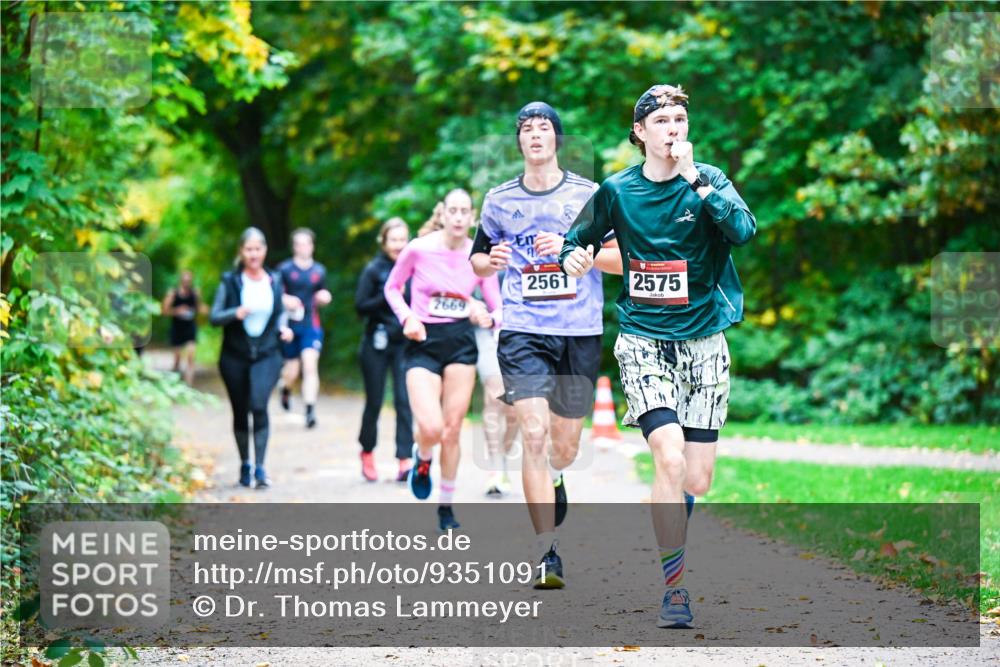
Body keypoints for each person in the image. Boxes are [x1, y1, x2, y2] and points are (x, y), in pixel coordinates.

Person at [559, 84, 756, 628]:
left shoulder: (708, 179)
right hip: (643, 340)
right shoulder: (618, 190)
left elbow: (743, 231)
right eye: (663, 120)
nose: (674, 128)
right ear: (640, 132)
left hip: (705, 342)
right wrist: (574, 258)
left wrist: (696, 179)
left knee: (696, 479)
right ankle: (675, 588)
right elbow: (575, 240)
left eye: (680, 120)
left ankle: (670, 520)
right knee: (668, 458)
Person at [471, 101, 622, 589]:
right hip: (522, 329)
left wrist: (575, 251)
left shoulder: (589, 194)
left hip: (578, 331)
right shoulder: (498, 199)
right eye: (526, 129)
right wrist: (491, 260)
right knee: (532, 435)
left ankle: (557, 476)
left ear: (557, 138)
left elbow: (623, 258)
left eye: (543, 128)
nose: (535, 135)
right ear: (519, 141)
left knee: (564, 445)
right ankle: (546, 552)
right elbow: (478, 259)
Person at [384, 189, 502, 532]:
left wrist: (489, 318)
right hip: (423, 342)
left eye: (465, 211)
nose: (459, 217)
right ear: (443, 214)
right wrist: (407, 317)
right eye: (453, 210)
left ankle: (446, 508)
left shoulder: (478, 257)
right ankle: (423, 458)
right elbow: (392, 288)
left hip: (461, 344)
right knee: (432, 428)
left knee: (451, 431)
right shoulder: (419, 249)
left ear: (472, 217)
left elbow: (497, 306)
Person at [422, 205, 518, 496]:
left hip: (523, 332)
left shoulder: (528, 244)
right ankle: (495, 469)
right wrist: (474, 308)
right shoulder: (477, 248)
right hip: (486, 332)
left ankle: (503, 458)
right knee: (494, 394)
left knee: (514, 407)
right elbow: (455, 288)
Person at [210, 227, 294, 489]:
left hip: (267, 354)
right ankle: (245, 463)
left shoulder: (275, 279)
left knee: (259, 405)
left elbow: (280, 312)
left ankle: (260, 468)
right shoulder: (230, 281)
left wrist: (284, 328)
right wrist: (235, 312)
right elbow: (214, 317)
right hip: (234, 356)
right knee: (240, 410)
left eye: (258, 249)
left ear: (264, 251)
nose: (253, 254)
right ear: (241, 252)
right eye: (248, 249)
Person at [355, 217, 414, 483]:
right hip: (375, 343)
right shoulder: (373, 269)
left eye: (402, 240)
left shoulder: (414, 268)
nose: (398, 245)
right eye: (393, 240)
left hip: (404, 343)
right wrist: (390, 293)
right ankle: (367, 451)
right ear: (383, 241)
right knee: (375, 401)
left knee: (404, 401)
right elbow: (360, 307)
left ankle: (405, 459)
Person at [277, 228, 332, 429]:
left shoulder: (319, 270)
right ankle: (285, 388)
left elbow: (323, 292)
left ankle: (310, 411)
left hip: (311, 325)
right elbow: (275, 294)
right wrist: (285, 299)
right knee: (292, 371)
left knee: (310, 366)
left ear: (312, 246)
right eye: (299, 244)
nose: (303, 247)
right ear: (294, 247)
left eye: (307, 243)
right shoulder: (284, 269)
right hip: (290, 327)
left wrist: (325, 297)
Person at [162, 269, 204, 385]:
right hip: (177, 327)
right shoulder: (173, 293)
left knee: (191, 355)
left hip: (190, 326)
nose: (187, 281)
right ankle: (173, 382)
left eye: (189, 279)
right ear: (181, 280)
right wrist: (177, 311)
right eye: (185, 279)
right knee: (177, 358)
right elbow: (164, 311)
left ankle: (189, 384)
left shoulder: (194, 293)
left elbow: (199, 309)